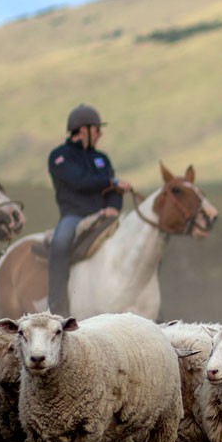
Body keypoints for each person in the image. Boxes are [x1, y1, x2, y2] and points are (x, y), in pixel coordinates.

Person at [47, 104, 133, 317]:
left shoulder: (102, 158)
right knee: (60, 243)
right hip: (74, 217)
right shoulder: (60, 157)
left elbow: (113, 190)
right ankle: (56, 307)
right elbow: (79, 182)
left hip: (104, 216)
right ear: (83, 129)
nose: (100, 134)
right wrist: (112, 180)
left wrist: (113, 206)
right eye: (97, 129)